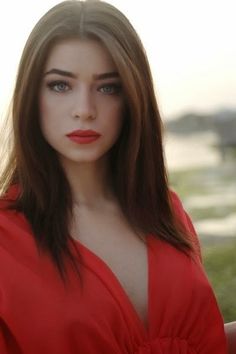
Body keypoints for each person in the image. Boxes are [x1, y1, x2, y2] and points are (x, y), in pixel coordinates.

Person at [0, 1, 227, 353]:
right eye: (60, 85)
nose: (85, 110)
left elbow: (200, 342)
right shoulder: (6, 240)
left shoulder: (166, 210)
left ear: (133, 97)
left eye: (108, 88)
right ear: (31, 95)